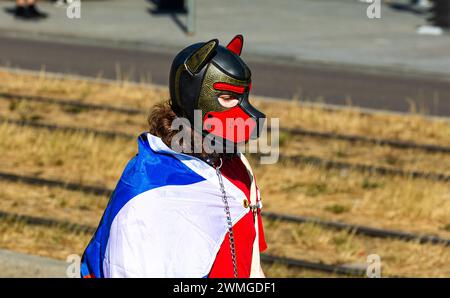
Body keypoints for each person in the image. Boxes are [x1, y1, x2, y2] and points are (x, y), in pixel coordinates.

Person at [80, 35, 268, 278]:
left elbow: (252, 266)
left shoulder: (238, 167)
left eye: (243, 96)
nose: (244, 111)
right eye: (228, 97)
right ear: (194, 96)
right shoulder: (148, 190)